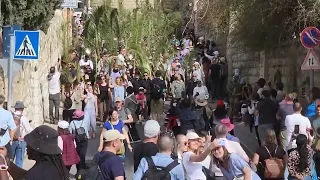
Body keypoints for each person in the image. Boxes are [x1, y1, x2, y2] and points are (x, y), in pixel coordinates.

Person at [3, 125, 69, 180]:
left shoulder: (39, 173)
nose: (27, 146)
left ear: (37, 148)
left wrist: (2, 166)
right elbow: (25, 175)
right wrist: (8, 163)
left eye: (30, 144)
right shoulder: (54, 166)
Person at [10, 101, 33, 168]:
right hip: (21, 141)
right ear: (22, 109)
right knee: (19, 162)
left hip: (11, 141)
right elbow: (28, 130)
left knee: (10, 161)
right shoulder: (23, 118)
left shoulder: (10, 116)